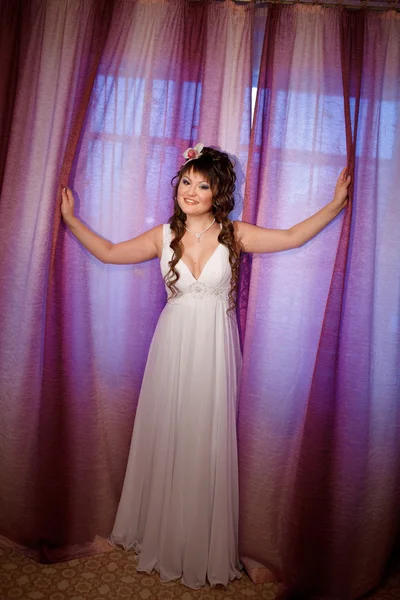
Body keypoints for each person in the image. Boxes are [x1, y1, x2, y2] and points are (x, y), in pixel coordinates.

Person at [61, 144, 351, 589]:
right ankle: (161, 529)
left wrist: (333, 204)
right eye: (185, 181)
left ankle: (197, 538)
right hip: (172, 345)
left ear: (218, 193)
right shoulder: (162, 236)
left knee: (203, 433)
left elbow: (292, 237)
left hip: (214, 347)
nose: (190, 191)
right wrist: (72, 221)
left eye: (202, 184)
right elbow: (109, 251)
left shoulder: (234, 234)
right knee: (170, 429)